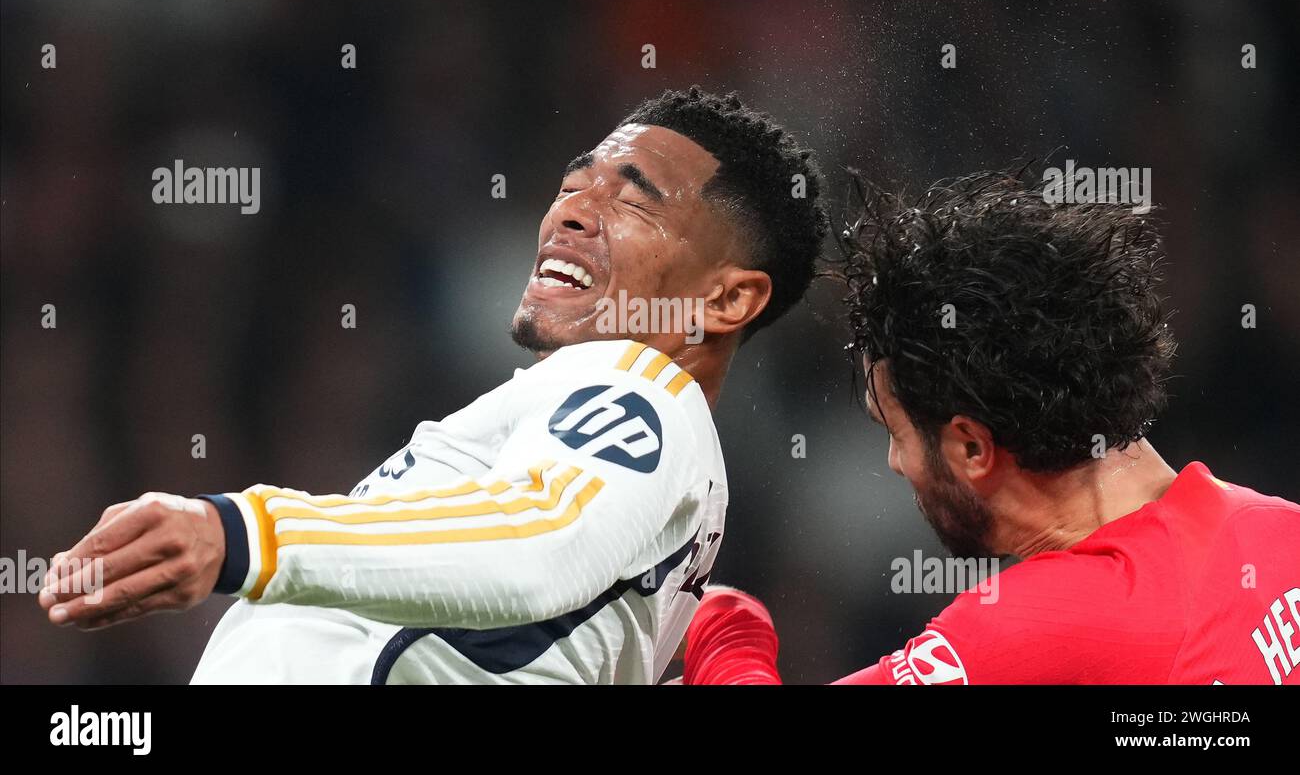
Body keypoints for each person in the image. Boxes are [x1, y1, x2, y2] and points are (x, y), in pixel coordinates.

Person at [39, 87, 829, 684]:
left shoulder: (642, 391)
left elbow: (535, 540)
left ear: (727, 299)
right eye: (573, 183)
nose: (570, 214)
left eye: (630, 199)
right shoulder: (640, 489)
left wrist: (242, 533)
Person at [684, 169, 1300, 685]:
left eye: (895, 431)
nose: (897, 463)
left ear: (972, 446)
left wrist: (721, 621)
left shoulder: (1035, 627)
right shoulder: (1284, 533)